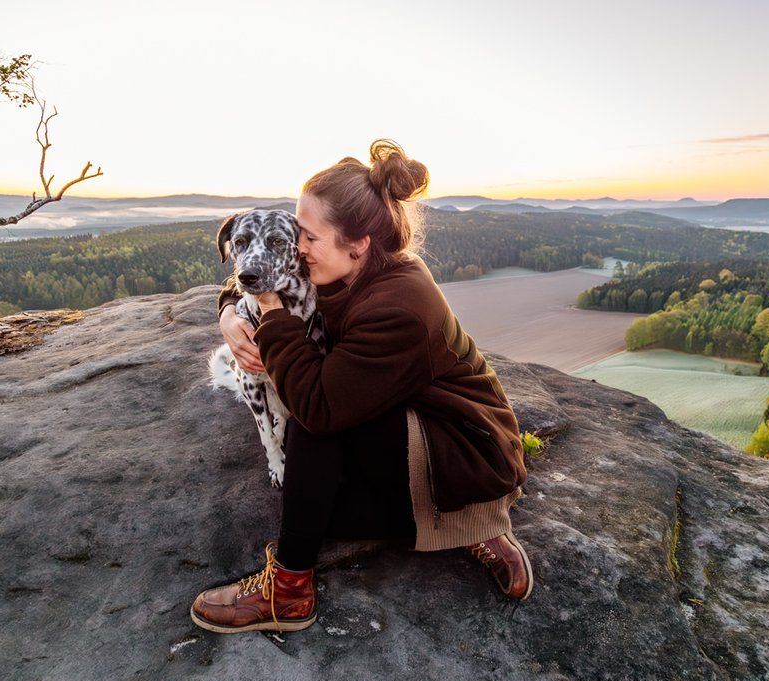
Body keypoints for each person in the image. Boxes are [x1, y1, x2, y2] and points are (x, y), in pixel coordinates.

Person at [190, 139, 533, 634]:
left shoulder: (399, 305)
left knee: (311, 424)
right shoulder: (345, 266)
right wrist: (228, 314)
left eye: (308, 237)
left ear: (359, 243)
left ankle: (291, 590)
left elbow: (317, 407)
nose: (297, 248)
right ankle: (451, 526)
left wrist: (269, 314)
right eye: (297, 234)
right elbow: (258, 266)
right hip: (396, 421)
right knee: (320, 514)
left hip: (460, 446)